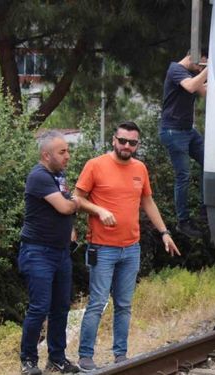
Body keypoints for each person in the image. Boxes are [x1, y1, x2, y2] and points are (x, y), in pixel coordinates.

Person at [74, 121, 180, 371]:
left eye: (132, 142)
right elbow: (76, 198)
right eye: (122, 141)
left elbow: (148, 202)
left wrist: (164, 232)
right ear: (114, 140)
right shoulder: (95, 165)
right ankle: (85, 356)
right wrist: (99, 210)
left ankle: (121, 355)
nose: (126, 146)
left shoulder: (140, 168)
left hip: (131, 248)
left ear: (137, 145)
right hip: (102, 247)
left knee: (124, 304)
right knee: (98, 303)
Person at [18, 130, 81, 374]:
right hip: (38, 252)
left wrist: (71, 227)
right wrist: (78, 201)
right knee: (39, 307)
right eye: (62, 152)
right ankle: (28, 360)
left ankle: (56, 358)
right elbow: (65, 206)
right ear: (46, 155)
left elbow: (65, 207)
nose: (68, 156)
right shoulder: (39, 176)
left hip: (60, 252)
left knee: (61, 307)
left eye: (67, 150)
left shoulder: (59, 175)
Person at [159, 50, 208, 238]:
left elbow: (203, 91)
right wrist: (208, 70)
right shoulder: (176, 69)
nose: (201, 68)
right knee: (184, 175)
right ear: (193, 55)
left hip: (188, 130)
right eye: (202, 63)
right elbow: (190, 87)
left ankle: (205, 209)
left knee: (208, 162)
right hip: (173, 131)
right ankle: (183, 221)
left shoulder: (192, 74)